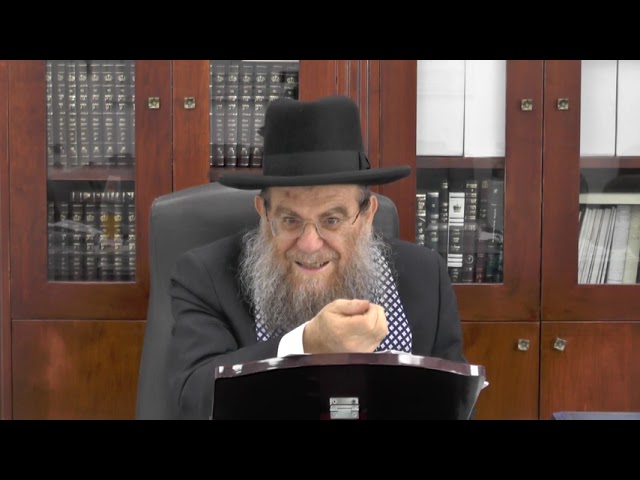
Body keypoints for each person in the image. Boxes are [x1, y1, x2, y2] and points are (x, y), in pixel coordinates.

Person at [167, 95, 467, 420]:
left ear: (367, 215)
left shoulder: (426, 276)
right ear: (263, 213)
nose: (310, 244)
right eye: (290, 220)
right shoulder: (205, 276)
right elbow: (193, 399)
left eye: (332, 220)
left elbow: (455, 405)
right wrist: (306, 344)